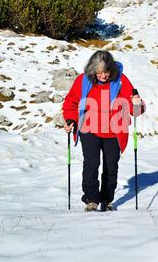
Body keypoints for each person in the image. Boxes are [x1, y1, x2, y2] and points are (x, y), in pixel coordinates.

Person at [62, 50, 146, 212]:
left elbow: (135, 110)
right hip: (89, 129)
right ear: (93, 70)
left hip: (114, 131)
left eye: (106, 72)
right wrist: (70, 119)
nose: (103, 76)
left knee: (111, 167)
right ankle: (91, 200)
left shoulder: (121, 81)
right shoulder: (83, 80)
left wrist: (137, 103)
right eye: (99, 72)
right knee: (91, 164)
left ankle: (107, 200)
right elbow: (71, 102)